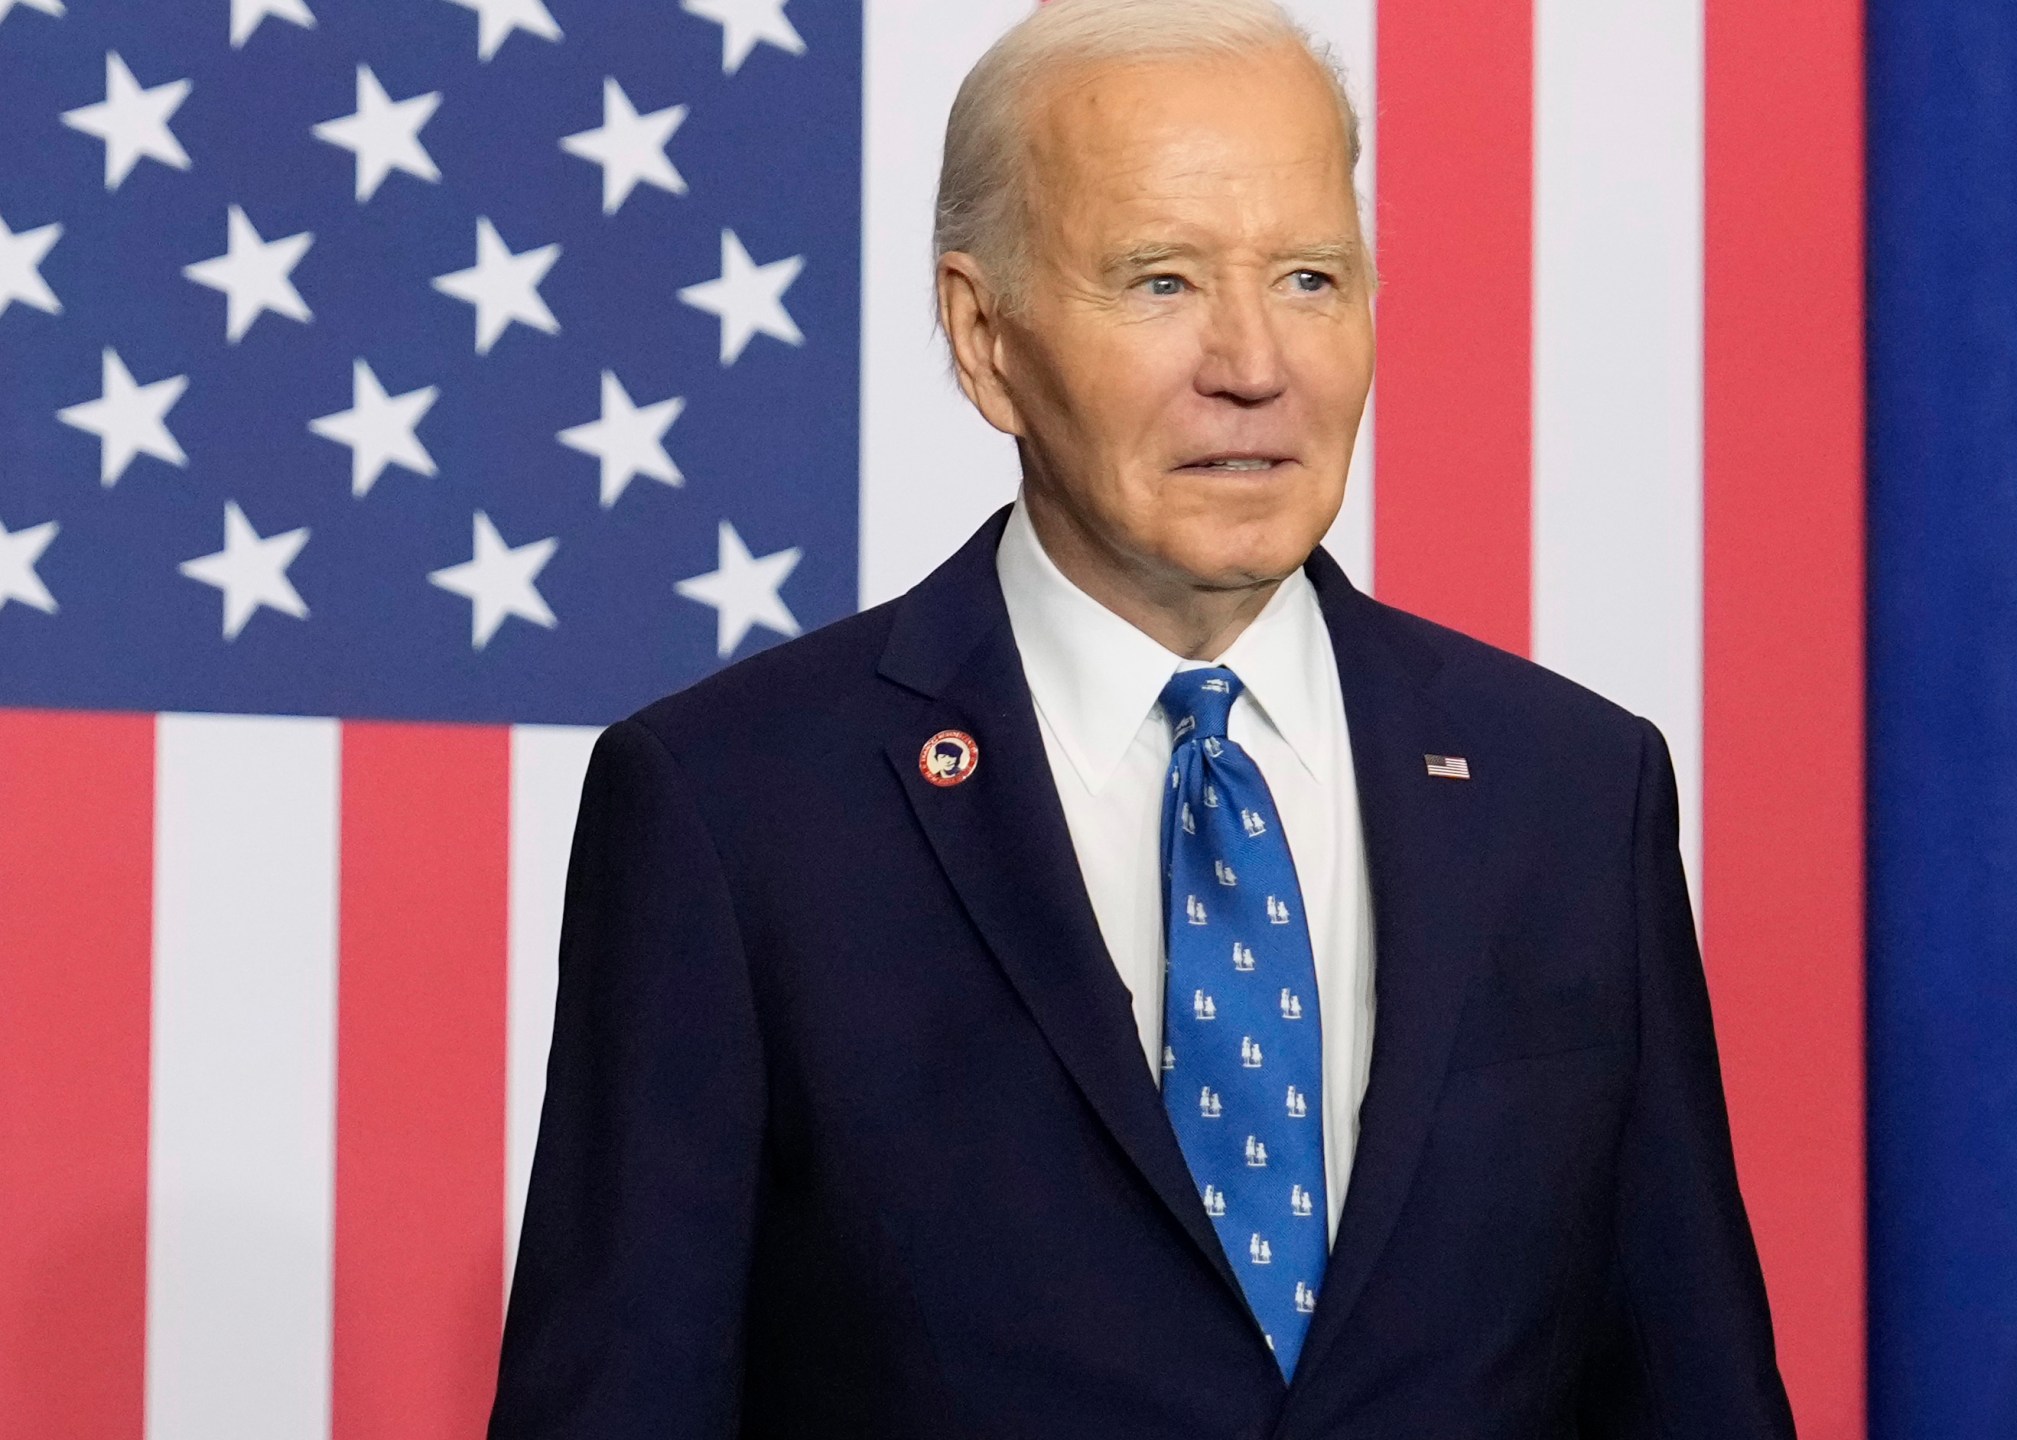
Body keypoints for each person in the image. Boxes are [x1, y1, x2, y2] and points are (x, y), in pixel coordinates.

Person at [487, 1, 1793, 1435]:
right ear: (985, 339)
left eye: (1308, 277)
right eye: (1162, 281)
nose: (1253, 361)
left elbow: (1696, 1391)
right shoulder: (735, 812)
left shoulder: (1574, 791)